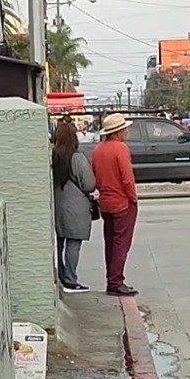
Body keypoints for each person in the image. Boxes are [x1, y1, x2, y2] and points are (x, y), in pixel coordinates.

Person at [88, 113, 138, 296]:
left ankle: (112, 279)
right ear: (118, 131)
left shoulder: (97, 150)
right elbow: (127, 178)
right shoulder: (121, 149)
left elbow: (95, 177)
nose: (126, 131)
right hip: (121, 201)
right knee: (121, 243)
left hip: (105, 201)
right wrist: (133, 198)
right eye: (124, 128)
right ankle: (116, 281)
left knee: (110, 242)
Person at [50, 119, 96, 295]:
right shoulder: (77, 158)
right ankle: (70, 279)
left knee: (59, 243)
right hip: (75, 206)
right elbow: (88, 184)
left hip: (56, 205)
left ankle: (61, 276)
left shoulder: (51, 156)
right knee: (73, 244)